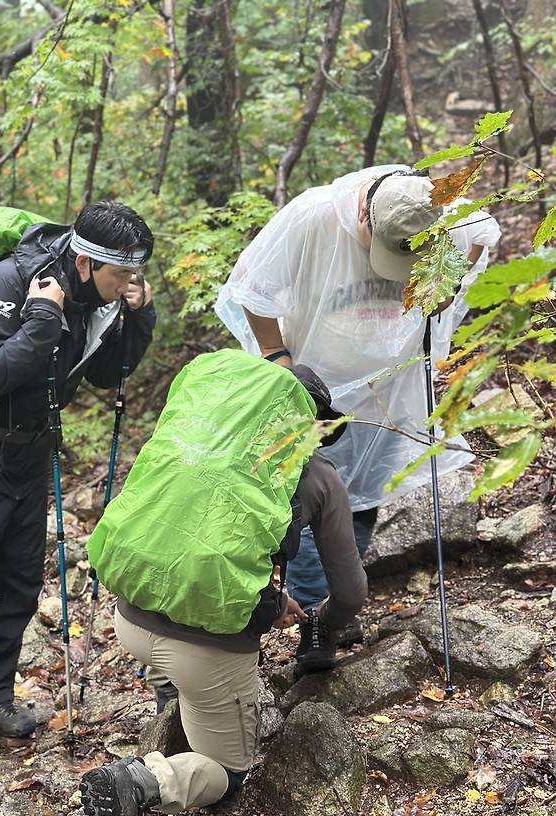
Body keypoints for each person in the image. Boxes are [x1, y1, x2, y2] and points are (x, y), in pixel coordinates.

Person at [79, 349, 367, 816]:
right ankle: (142, 782)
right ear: (311, 427)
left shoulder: (198, 444)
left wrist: (272, 602)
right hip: (205, 651)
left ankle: (167, 692)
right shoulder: (317, 477)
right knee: (227, 772)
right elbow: (350, 592)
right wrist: (321, 619)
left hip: (129, 619)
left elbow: (186, 545)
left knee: (184, 674)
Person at [215, 165, 501, 671]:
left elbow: (485, 231)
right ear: (364, 214)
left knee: (363, 499)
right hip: (317, 392)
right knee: (304, 504)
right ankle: (308, 617)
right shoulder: (312, 216)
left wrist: (449, 285)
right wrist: (277, 356)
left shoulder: (439, 209)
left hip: (387, 387)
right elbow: (252, 290)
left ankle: (333, 611)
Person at [0, 200, 156, 767]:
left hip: (28, 458)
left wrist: (138, 316)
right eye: (122, 274)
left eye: (134, 274)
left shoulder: (99, 299)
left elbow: (102, 374)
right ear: (83, 263)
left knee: (18, 584)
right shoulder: (11, 282)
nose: (129, 283)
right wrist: (42, 324)